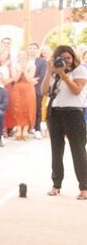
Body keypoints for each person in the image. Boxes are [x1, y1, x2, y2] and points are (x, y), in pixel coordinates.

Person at [42, 45, 87, 200]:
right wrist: (50, 71)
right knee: (56, 149)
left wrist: (64, 75)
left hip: (73, 113)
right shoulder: (54, 71)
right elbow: (44, 91)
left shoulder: (79, 70)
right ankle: (56, 185)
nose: (66, 61)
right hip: (55, 112)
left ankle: (84, 188)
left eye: (69, 58)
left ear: (73, 58)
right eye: (62, 58)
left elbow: (76, 90)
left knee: (78, 150)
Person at [9, 50, 36, 140]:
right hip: (18, 88)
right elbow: (15, 79)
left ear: (27, 56)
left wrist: (24, 71)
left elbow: (29, 79)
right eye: (20, 55)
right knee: (18, 108)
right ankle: (19, 129)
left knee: (28, 107)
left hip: (28, 88)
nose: (22, 57)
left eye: (24, 55)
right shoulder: (14, 65)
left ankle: (25, 129)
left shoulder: (32, 65)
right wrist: (20, 70)